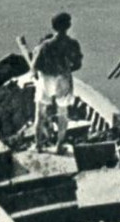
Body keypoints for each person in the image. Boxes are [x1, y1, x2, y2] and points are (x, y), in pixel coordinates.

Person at [32, 12, 83, 153]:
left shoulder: (45, 46)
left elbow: (34, 66)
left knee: (40, 112)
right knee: (63, 112)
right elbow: (78, 64)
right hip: (63, 79)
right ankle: (59, 146)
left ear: (53, 27)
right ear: (69, 26)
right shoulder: (72, 44)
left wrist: (40, 73)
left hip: (46, 80)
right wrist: (67, 69)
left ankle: (38, 146)